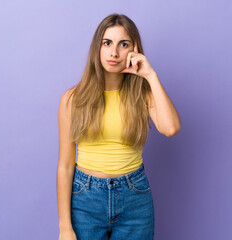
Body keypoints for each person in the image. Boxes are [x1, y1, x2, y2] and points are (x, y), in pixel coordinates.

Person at [57, 13, 181, 240]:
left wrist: (150, 76)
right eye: (107, 43)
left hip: (134, 196)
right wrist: (65, 228)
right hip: (86, 199)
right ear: (98, 48)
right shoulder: (73, 99)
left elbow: (171, 128)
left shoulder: (143, 95)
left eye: (123, 44)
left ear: (134, 50)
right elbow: (65, 167)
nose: (114, 53)